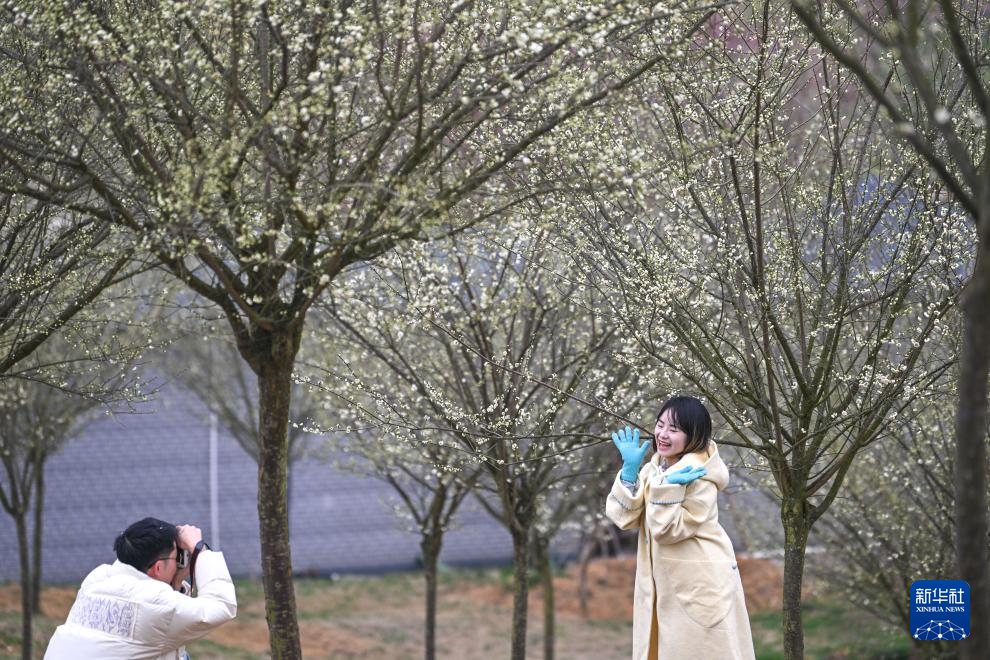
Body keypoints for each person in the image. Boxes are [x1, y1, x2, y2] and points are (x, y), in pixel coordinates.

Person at [605, 395, 755, 659]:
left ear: (694, 436)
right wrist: (629, 472)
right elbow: (626, 518)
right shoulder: (656, 469)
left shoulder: (699, 475)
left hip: (700, 583)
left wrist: (668, 488)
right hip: (668, 584)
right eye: (660, 424)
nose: (662, 434)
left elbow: (668, 531)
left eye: (674, 429)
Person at [44, 517, 237, 660]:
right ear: (158, 568)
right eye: (176, 557)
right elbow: (222, 605)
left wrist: (176, 580)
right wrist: (199, 549)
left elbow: (155, 628)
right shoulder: (156, 602)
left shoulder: (97, 579)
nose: (180, 561)